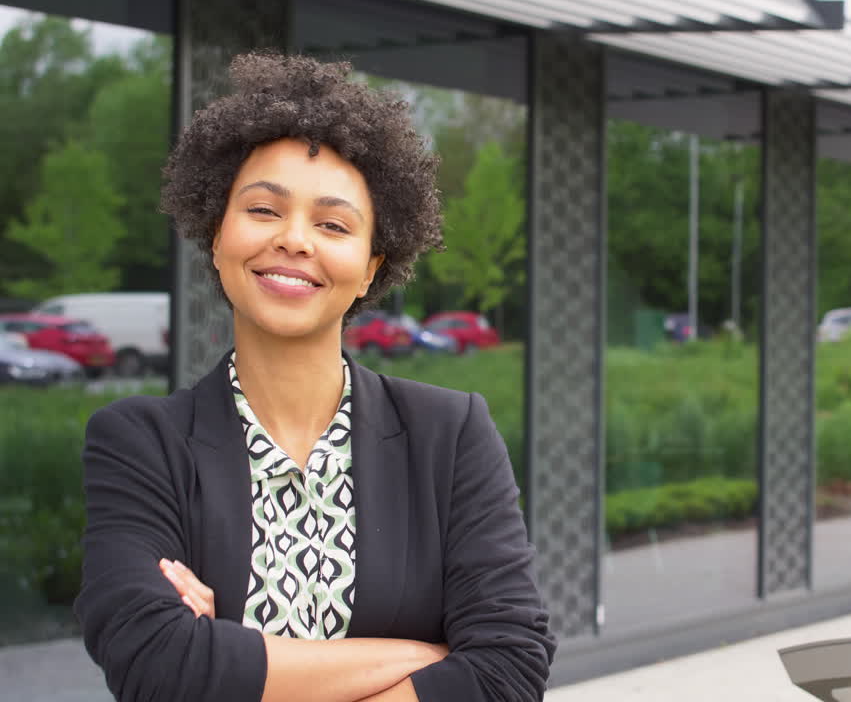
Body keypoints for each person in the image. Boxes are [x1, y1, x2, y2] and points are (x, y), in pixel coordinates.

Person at [74, 53, 554, 702]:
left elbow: (510, 668)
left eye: (333, 224)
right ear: (217, 235)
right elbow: (156, 663)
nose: (295, 240)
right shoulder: (141, 443)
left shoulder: (449, 436)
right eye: (263, 210)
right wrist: (422, 657)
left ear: (371, 266)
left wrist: (222, 657)